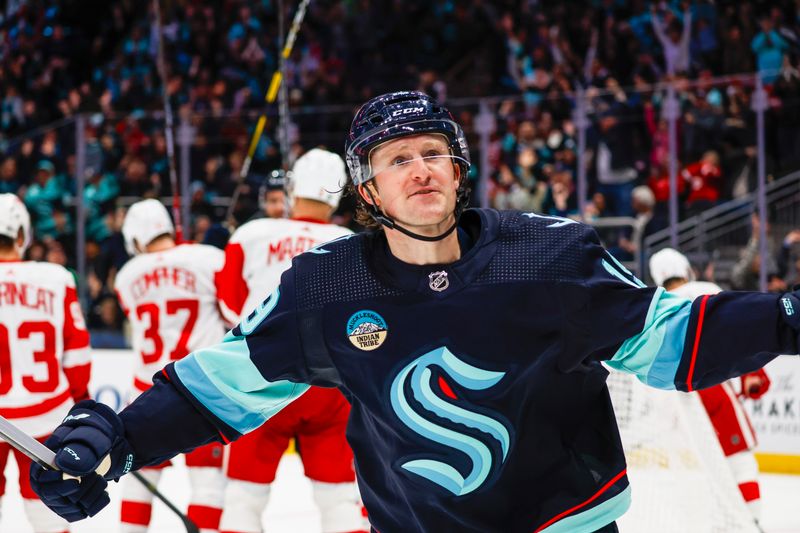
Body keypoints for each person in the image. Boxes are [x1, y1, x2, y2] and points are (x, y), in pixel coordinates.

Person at [30, 91, 800, 533]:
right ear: (367, 191)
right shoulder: (321, 289)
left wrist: (785, 318)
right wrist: (118, 439)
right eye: (397, 159)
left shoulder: (550, 255)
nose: (419, 167)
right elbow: (217, 387)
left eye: (434, 152)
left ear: (459, 172)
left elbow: (671, 342)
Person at [216, 149, 366, 533]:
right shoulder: (351, 243)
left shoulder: (250, 235)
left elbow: (231, 306)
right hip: (329, 385)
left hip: (258, 377)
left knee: (243, 498)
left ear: (293, 186)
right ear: (338, 194)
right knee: (338, 498)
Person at [112, 199, 228, 533]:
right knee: (207, 482)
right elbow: (229, 311)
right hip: (202, 390)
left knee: (138, 478)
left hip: (147, 393)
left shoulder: (126, 276)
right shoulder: (209, 258)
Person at [649, 248, 771, 522]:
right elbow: (737, 329)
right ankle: (752, 522)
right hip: (714, 388)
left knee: (710, 467)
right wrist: (756, 373)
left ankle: (723, 520)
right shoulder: (705, 289)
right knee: (740, 460)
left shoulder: (657, 303)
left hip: (676, 396)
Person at [0, 193, 91, 533]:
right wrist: (81, 408)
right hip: (44, 415)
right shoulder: (56, 278)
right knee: (47, 513)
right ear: (22, 236)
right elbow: (78, 356)